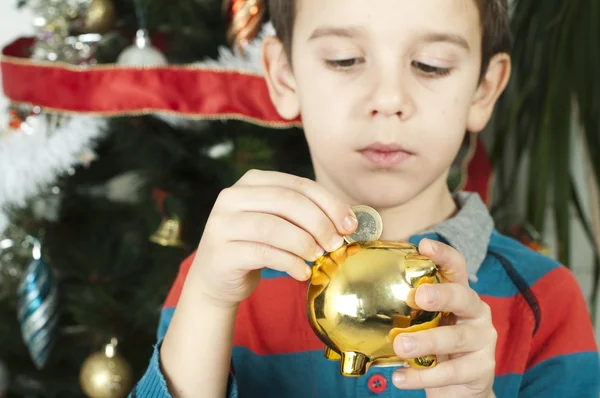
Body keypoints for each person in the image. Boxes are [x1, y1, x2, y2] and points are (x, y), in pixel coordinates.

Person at [130, 1, 600, 397]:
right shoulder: (218, 281)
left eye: (431, 64)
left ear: (483, 89)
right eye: (343, 59)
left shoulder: (544, 299)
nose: (389, 97)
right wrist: (210, 302)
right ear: (284, 76)